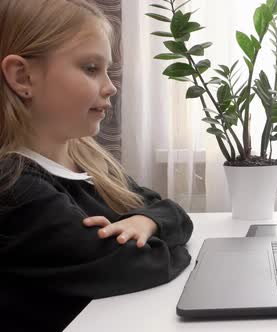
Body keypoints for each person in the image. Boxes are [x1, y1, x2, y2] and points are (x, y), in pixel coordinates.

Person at [0, 1, 194, 331]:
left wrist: (146, 222)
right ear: (23, 76)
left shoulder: (92, 165)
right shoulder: (15, 187)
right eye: (91, 68)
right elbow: (141, 264)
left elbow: (175, 213)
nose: (111, 86)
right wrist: (157, 234)